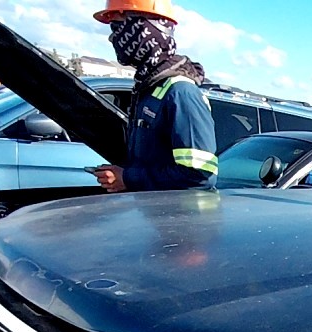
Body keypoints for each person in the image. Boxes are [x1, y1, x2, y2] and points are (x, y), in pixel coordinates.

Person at [90, 0, 217, 193]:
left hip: (181, 220)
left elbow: (200, 175)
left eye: (118, 26)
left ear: (144, 29)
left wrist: (127, 178)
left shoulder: (181, 93)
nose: (112, 38)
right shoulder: (147, 90)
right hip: (155, 215)